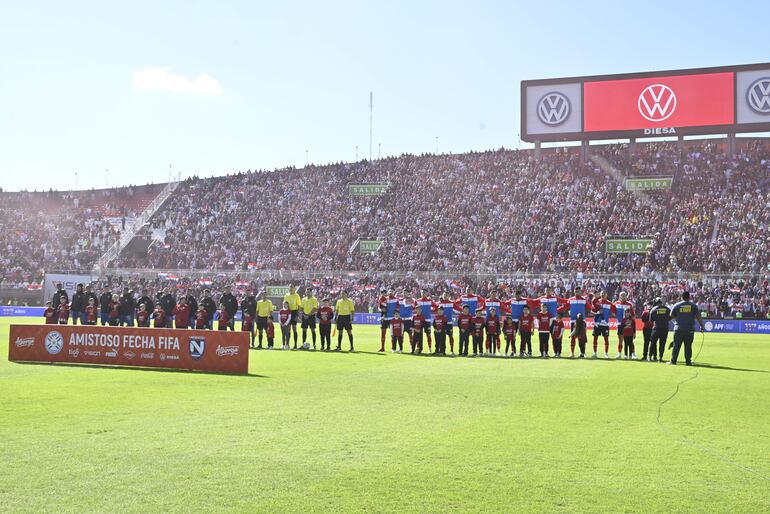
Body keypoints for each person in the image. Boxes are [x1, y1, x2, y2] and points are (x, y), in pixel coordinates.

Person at [669, 291, 705, 366]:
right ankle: (688, 362)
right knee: (688, 346)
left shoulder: (677, 305)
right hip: (690, 329)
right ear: (689, 297)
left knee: (676, 345)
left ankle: (673, 361)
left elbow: (671, 316)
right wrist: (702, 326)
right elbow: (698, 317)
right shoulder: (693, 306)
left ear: (682, 297)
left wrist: (678, 317)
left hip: (678, 329)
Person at [568, 287, 593, 358]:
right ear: (574, 292)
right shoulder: (570, 299)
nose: (577, 293)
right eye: (576, 291)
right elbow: (565, 306)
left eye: (578, 291)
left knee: (581, 338)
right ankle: (572, 353)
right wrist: (557, 310)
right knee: (573, 337)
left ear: (580, 292)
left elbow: (590, 307)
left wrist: (596, 309)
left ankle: (582, 353)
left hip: (582, 322)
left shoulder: (584, 300)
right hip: (573, 321)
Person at [613, 292, 635, 359]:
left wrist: (629, 321)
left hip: (627, 325)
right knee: (620, 339)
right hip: (620, 324)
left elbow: (633, 316)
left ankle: (633, 354)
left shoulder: (629, 304)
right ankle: (619, 354)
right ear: (619, 296)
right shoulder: (616, 303)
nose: (623, 297)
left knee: (630, 341)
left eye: (624, 296)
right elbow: (613, 313)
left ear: (626, 296)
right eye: (621, 295)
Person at [591, 291, 613, 359]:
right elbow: (592, 311)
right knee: (595, 339)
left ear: (607, 295)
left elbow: (614, 312)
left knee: (606, 339)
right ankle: (595, 353)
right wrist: (597, 313)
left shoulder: (610, 303)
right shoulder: (597, 301)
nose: (603, 295)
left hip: (605, 324)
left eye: (604, 294)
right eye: (602, 294)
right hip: (597, 323)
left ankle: (606, 354)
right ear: (600, 295)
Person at [649, 298, 671, 362]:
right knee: (662, 344)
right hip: (665, 328)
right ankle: (660, 357)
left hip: (656, 328)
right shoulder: (667, 309)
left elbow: (651, 320)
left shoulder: (653, 309)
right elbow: (670, 317)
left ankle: (650, 357)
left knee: (653, 343)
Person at [380, 288, 400, 352]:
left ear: (394, 292)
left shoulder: (396, 299)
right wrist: (381, 310)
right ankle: (382, 348)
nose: (390, 292)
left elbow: (398, 308)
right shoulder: (385, 299)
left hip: (392, 319)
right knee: (383, 333)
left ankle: (393, 348)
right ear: (388, 292)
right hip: (385, 318)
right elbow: (379, 307)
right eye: (389, 291)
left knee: (393, 334)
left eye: (392, 291)